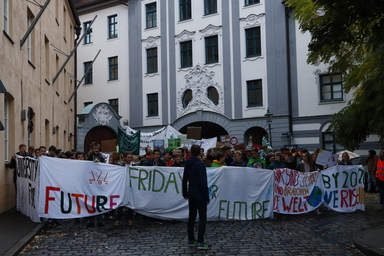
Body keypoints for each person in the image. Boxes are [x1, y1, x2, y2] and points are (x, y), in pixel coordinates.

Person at [182, 145, 211, 250]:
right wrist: (206, 197)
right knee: (202, 218)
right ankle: (201, 241)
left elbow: (184, 179)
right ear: (199, 152)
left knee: (192, 216)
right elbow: (203, 182)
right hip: (200, 194)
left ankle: (191, 239)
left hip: (191, 193)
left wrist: (185, 192)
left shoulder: (188, 164)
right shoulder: (200, 164)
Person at [115, 152, 136, 227]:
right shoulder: (121, 166)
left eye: (131, 157)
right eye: (128, 157)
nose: (130, 159)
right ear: (125, 158)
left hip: (131, 187)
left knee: (130, 203)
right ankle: (118, 219)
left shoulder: (135, 166)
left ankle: (130, 219)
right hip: (122, 187)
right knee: (121, 203)